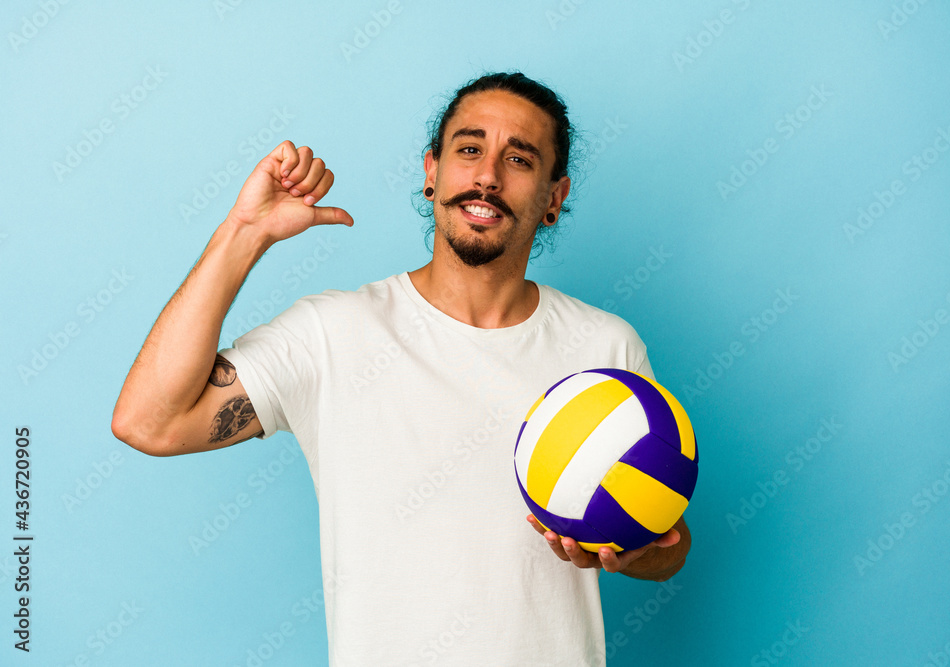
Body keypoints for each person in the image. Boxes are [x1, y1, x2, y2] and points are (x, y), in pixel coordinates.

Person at [112, 71, 691, 666]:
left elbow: (671, 543)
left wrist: (633, 552)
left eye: (518, 159)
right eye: (469, 149)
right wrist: (245, 233)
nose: (487, 175)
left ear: (553, 197)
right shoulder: (330, 335)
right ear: (431, 172)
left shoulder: (605, 350)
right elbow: (149, 422)